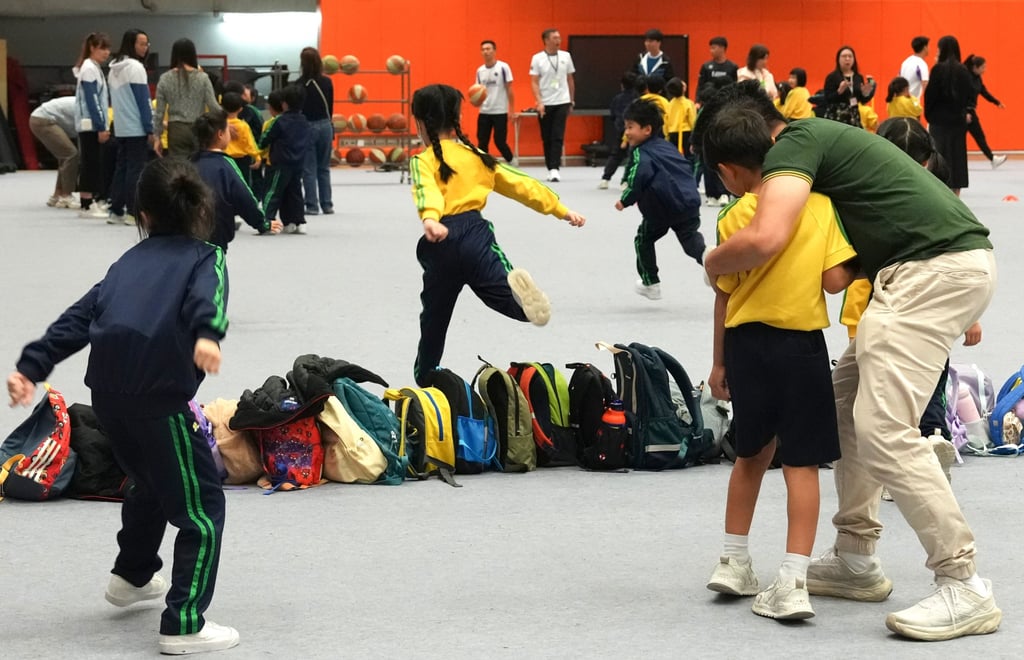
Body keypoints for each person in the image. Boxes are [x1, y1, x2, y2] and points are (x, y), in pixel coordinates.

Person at [693, 80, 999, 642]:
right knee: (844, 408)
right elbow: (837, 271)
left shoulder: (792, 147)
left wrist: (711, 260)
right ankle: (856, 557)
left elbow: (765, 237)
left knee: (883, 427)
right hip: (928, 267)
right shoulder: (819, 144)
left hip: (929, 271)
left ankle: (964, 584)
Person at [6, 157, 239, 656]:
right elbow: (208, 297)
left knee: (150, 482)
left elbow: (78, 317)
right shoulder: (208, 256)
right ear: (200, 207)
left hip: (108, 399)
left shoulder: (126, 262)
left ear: (144, 214)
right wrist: (207, 335)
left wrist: (32, 364)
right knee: (202, 509)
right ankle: (184, 622)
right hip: (161, 400)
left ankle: (131, 577)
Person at [703, 108, 856, 621]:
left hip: (747, 347)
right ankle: (793, 578)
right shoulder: (819, 207)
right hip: (801, 348)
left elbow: (723, 295)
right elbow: (836, 281)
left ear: (726, 171)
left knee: (750, 454)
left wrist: (718, 362)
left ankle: (733, 558)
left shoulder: (731, 217)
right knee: (801, 464)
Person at [408, 84, 585, 386]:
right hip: (476, 237)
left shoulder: (422, 160)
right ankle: (523, 306)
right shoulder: (476, 155)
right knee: (501, 294)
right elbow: (520, 184)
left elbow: (427, 191)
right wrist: (560, 208)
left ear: (421, 123)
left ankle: (426, 375)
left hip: (441, 244)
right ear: (458, 118)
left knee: (434, 319)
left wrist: (431, 218)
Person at [614, 98, 704, 301]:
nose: (626, 132)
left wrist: (625, 200)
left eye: (630, 127)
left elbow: (638, 176)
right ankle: (708, 260)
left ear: (646, 129)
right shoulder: (667, 147)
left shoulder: (640, 153)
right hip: (689, 203)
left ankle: (650, 283)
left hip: (662, 209)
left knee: (643, 239)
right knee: (690, 238)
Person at [191, 109, 282, 250]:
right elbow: (244, 196)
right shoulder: (226, 165)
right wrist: (262, 223)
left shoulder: (188, 163)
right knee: (213, 265)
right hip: (216, 229)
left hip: (189, 228)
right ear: (221, 134)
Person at [106, 29, 154, 226]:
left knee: (122, 168)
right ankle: (133, 212)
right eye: (142, 43)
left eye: (147, 43)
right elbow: (143, 101)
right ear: (131, 44)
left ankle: (115, 209)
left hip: (121, 126)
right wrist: (149, 128)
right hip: (136, 127)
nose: (145, 47)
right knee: (135, 169)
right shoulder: (136, 68)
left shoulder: (113, 68)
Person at [153, 38, 221, 159]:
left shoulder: (164, 78)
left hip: (176, 129)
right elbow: (213, 106)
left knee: (180, 169)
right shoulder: (203, 78)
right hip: (198, 128)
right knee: (199, 166)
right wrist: (227, 121)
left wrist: (157, 137)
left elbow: (159, 112)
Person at [924, 36, 974, 195]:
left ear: (942, 50)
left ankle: (938, 198)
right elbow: (970, 96)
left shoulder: (937, 70)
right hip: (958, 124)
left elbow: (930, 97)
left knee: (939, 161)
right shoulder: (964, 71)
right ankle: (956, 198)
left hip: (939, 123)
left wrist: (930, 117)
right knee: (957, 162)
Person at [259, 84, 310, 234]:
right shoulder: (305, 121)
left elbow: (265, 139)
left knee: (273, 191)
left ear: (284, 103)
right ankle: (297, 221)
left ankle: (267, 221)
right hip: (298, 162)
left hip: (280, 162)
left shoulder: (279, 121)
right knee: (295, 192)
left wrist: (260, 148)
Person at [529, 28, 576, 182]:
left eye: (559, 38)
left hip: (562, 100)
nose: (558, 40)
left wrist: (571, 99)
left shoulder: (566, 56)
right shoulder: (537, 58)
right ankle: (550, 166)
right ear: (546, 40)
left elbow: (569, 79)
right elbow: (534, 82)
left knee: (557, 135)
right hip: (545, 102)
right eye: (555, 38)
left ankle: (555, 168)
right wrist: (539, 101)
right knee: (546, 136)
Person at [74, 32, 112, 219]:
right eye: (102, 48)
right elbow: (92, 100)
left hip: (92, 124)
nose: (107, 53)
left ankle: (90, 201)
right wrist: (101, 126)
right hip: (90, 125)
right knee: (90, 164)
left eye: (108, 49)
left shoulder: (93, 67)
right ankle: (87, 205)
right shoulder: (89, 69)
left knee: (92, 163)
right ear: (92, 48)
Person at [296, 47, 335, 215]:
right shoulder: (327, 82)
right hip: (325, 125)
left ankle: (312, 205)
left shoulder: (299, 84)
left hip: (307, 126)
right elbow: (330, 107)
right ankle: (327, 204)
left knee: (309, 169)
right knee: (324, 168)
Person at [30, 96, 79, 208]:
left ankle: (57, 195)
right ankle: (66, 196)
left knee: (65, 156)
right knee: (70, 154)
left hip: (39, 117)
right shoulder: (89, 109)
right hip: (44, 120)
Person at [475, 40, 517, 165]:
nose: (486, 52)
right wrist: (476, 102)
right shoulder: (480, 71)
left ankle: (511, 161)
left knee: (499, 141)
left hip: (500, 111)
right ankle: (484, 165)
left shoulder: (503, 67)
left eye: (488, 49)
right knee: (482, 141)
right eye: (483, 49)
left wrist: (512, 110)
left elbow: (509, 89)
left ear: (494, 51)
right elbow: (478, 91)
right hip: (484, 111)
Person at [963, 54, 1007, 169]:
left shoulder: (977, 79)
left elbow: (984, 92)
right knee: (958, 139)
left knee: (979, 136)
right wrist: (964, 112)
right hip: (963, 112)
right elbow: (960, 96)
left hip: (971, 112)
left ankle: (992, 159)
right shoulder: (965, 78)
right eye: (983, 67)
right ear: (975, 67)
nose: (985, 70)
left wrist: (996, 102)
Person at [598, 72, 638, 190]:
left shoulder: (617, 99)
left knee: (616, 155)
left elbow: (613, 115)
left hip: (620, 130)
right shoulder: (638, 99)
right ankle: (625, 181)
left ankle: (605, 179)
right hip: (635, 131)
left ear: (622, 85)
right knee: (633, 156)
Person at [822, 45, 876, 127]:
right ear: (838, 59)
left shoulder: (858, 77)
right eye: (844, 56)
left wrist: (866, 93)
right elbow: (827, 99)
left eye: (850, 56)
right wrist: (839, 91)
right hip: (837, 116)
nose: (847, 59)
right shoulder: (832, 77)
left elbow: (862, 100)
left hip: (853, 116)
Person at [219, 92, 261, 189]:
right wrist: (257, 157)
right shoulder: (243, 126)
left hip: (224, 159)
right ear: (240, 109)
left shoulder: (220, 126)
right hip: (242, 161)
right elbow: (250, 144)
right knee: (242, 186)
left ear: (222, 107)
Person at [664, 77, 696, 155]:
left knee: (673, 155)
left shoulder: (669, 104)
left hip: (672, 133)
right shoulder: (688, 103)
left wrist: (666, 135)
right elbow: (692, 120)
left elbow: (666, 121)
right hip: (686, 132)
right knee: (689, 156)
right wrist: (694, 134)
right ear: (683, 89)